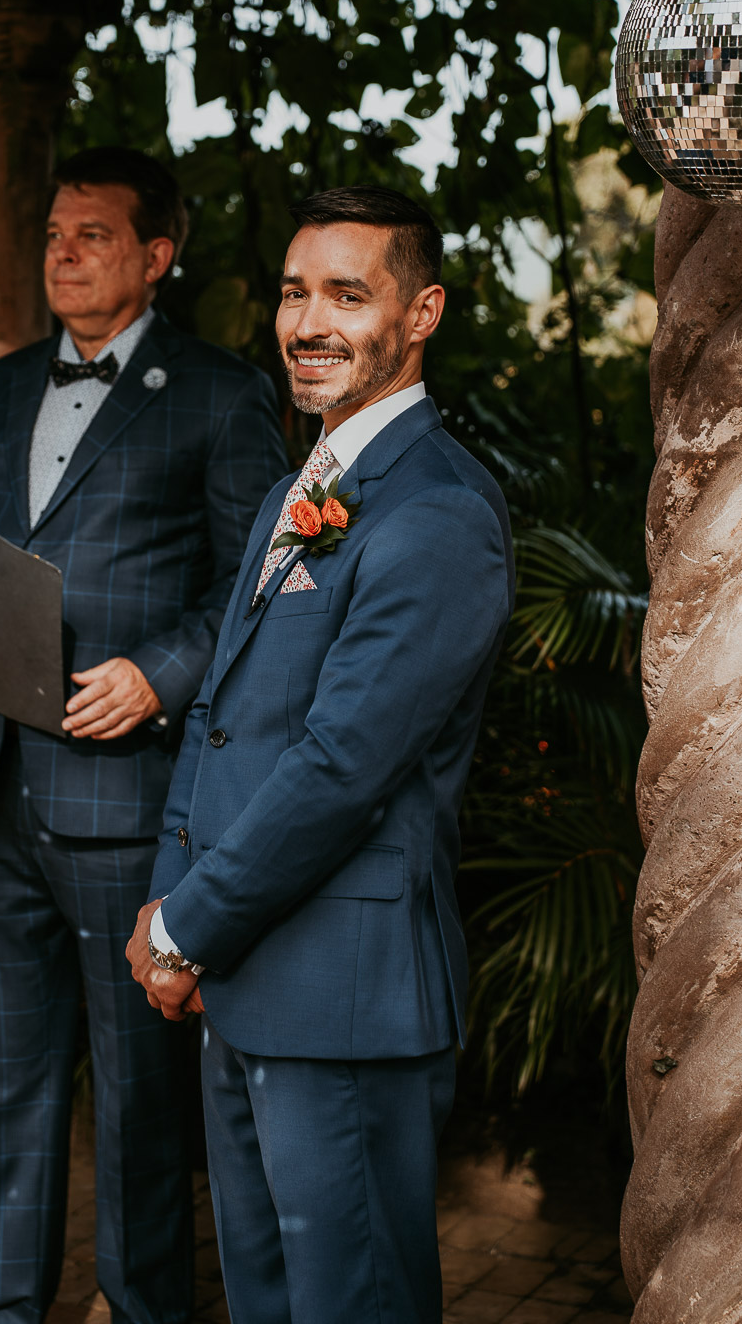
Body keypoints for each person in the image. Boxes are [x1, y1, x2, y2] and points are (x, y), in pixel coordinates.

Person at [0, 146, 288, 1324]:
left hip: (128, 802)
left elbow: (255, 583)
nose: (63, 252)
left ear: (156, 258)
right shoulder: (1, 387)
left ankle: (146, 1309)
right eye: (55, 233)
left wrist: (158, 678)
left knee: (139, 1101)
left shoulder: (219, 394)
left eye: (93, 235)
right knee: (2, 1090)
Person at [127, 185, 515, 1324]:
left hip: (345, 995)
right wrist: (173, 903)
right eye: (297, 293)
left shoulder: (437, 509)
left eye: (349, 294)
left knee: (354, 1305)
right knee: (265, 1301)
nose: (309, 323)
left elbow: (345, 764)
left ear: (423, 311)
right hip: (245, 979)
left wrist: (191, 921)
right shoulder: (316, 485)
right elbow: (225, 715)